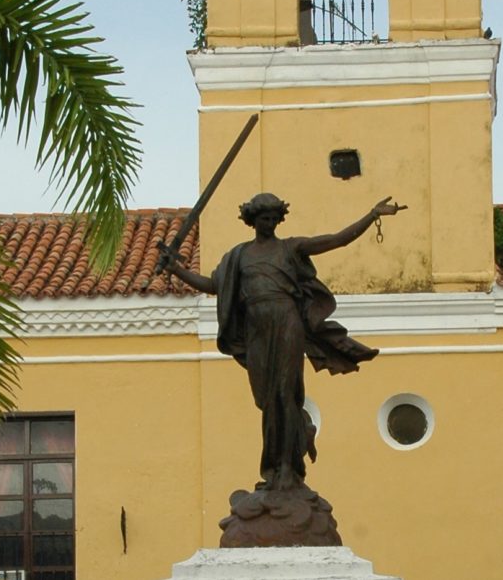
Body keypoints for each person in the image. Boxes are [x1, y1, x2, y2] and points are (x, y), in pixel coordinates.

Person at [162, 193, 406, 491]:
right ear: (252, 220)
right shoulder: (238, 256)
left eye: (274, 218)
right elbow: (213, 286)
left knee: (284, 393)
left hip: (287, 321)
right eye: (264, 218)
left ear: (279, 219)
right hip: (256, 327)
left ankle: (286, 469)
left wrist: (372, 215)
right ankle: (297, 438)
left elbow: (336, 240)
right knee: (266, 400)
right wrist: (176, 270)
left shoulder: (291, 248)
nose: (269, 223)